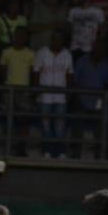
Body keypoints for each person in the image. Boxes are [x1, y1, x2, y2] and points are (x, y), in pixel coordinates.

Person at [32, 30, 73, 158]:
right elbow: (36, 73)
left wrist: (69, 93)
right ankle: (47, 151)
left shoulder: (67, 54)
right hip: (45, 95)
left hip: (61, 96)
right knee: (46, 124)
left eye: (60, 40)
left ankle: (60, 151)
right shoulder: (42, 53)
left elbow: (70, 74)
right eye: (55, 39)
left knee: (60, 125)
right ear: (51, 39)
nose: (58, 42)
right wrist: (36, 91)